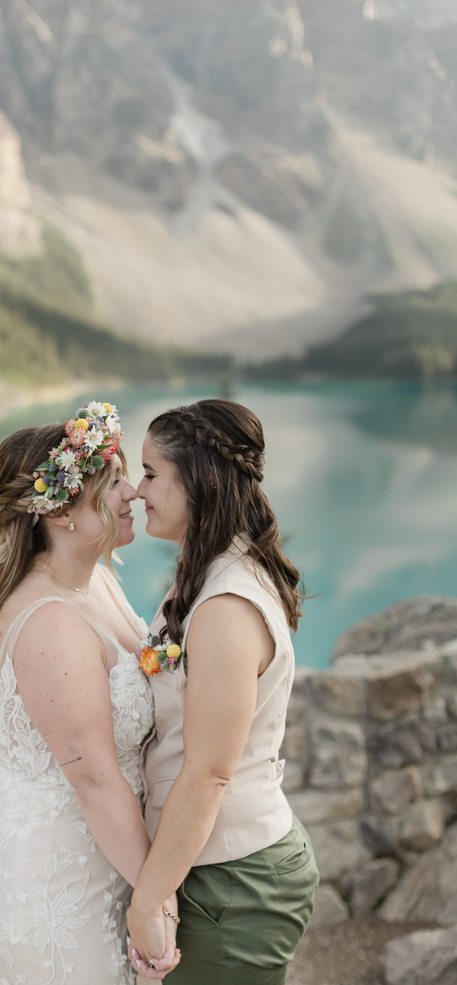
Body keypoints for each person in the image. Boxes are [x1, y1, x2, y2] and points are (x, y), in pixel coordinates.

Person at [0, 402, 179, 985]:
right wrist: (156, 902)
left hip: (103, 859)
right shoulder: (51, 622)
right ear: (59, 513)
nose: (132, 492)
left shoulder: (97, 578)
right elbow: (94, 778)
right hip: (55, 884)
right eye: (111, 483)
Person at [128, 398, 319, 984]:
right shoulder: (205, 574)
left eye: (152, 474)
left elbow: (209, 771)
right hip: (211, 866)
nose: (138, 491)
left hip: (235, 879)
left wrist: (146, 900)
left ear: (200, 480)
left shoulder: (227, 606)